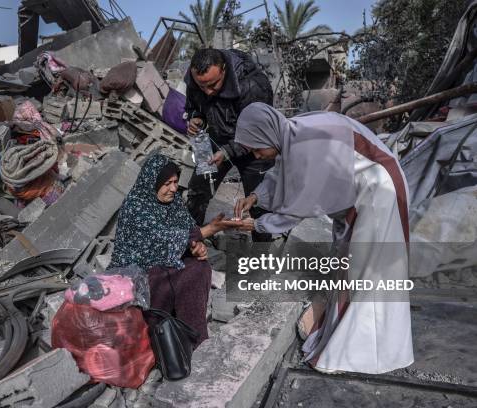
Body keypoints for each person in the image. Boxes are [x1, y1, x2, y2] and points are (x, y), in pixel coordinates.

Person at [232, 103, 414, 375]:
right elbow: (282, 172)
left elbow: (299, 206)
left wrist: (257, 223)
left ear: (269, 134)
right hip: (358, 192)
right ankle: (350, 337)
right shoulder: (291, 133)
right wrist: (255, 197)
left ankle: (362, 351)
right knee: (348, 266)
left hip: (379, 193)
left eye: (259, 148)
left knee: (367, 272)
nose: (258, 155)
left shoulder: (304, 145)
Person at [109, 154, 233, 346]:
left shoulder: (173, 203)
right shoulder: (136, 206)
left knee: (199, 268)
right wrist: (209, 230)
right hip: (137, 273)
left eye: (175, 182)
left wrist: (196, 247)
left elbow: (186, 230)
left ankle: (192, 335)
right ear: (153, 182)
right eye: (167, 183)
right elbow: (161, 240)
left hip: (166, 264)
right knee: (177, 276)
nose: (174, 189)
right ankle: (167, 336)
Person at [184, 48, 274, 241]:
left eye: (213, 85)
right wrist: (195, 118)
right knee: (197, 191)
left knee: (260, 203)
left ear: (224, 69)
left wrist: (228, 152)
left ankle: (264, 256)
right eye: (202, 86)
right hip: (215, 140)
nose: (207, 92)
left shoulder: (253, 85)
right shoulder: (194, 80)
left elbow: (259, 131)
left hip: (255, 148)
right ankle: (189, 241)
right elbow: (192, 107)